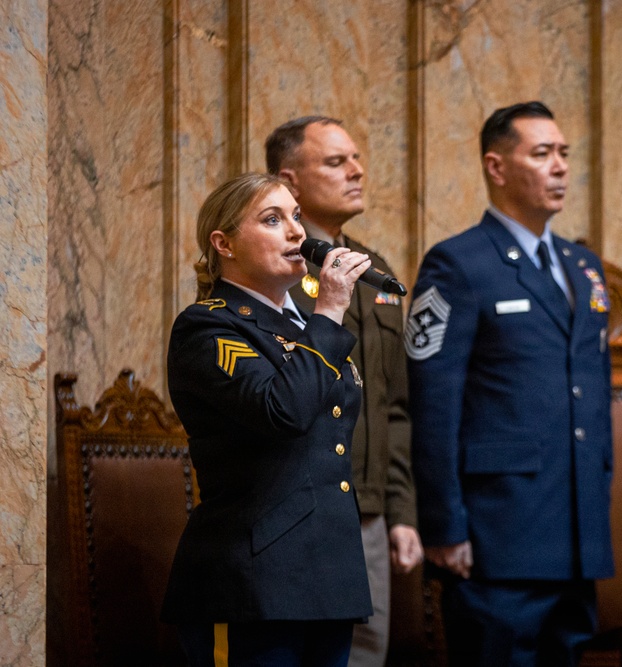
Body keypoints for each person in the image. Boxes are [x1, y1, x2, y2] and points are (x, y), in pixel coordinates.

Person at [405, 101, 614, 666]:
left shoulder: (581, 266)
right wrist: (444, 525)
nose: (561, 167)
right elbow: (434, 404)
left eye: (564, 154)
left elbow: (592, 395)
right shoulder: (459, 263)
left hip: (575, 533)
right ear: (497, 168)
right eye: (542, 153)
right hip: (498, 535)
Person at [161, 172, 375, 666]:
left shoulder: (304, 324)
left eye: (296, 217)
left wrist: (320, 316)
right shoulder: (209, 325)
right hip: (253, 580)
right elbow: (283, 410)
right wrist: (329, 308)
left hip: (327, 575)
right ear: (224, 243)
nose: (298, 232)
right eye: (273, 219)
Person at [265, 116, 422, 667]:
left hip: (370, 507)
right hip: (298, 506)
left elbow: (393, 407)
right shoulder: (273, 267)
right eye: (335, 161)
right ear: (291, 179)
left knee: (364, 653)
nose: (356, 170)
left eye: (356, 159)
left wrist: (401, 511)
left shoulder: (375, 272)